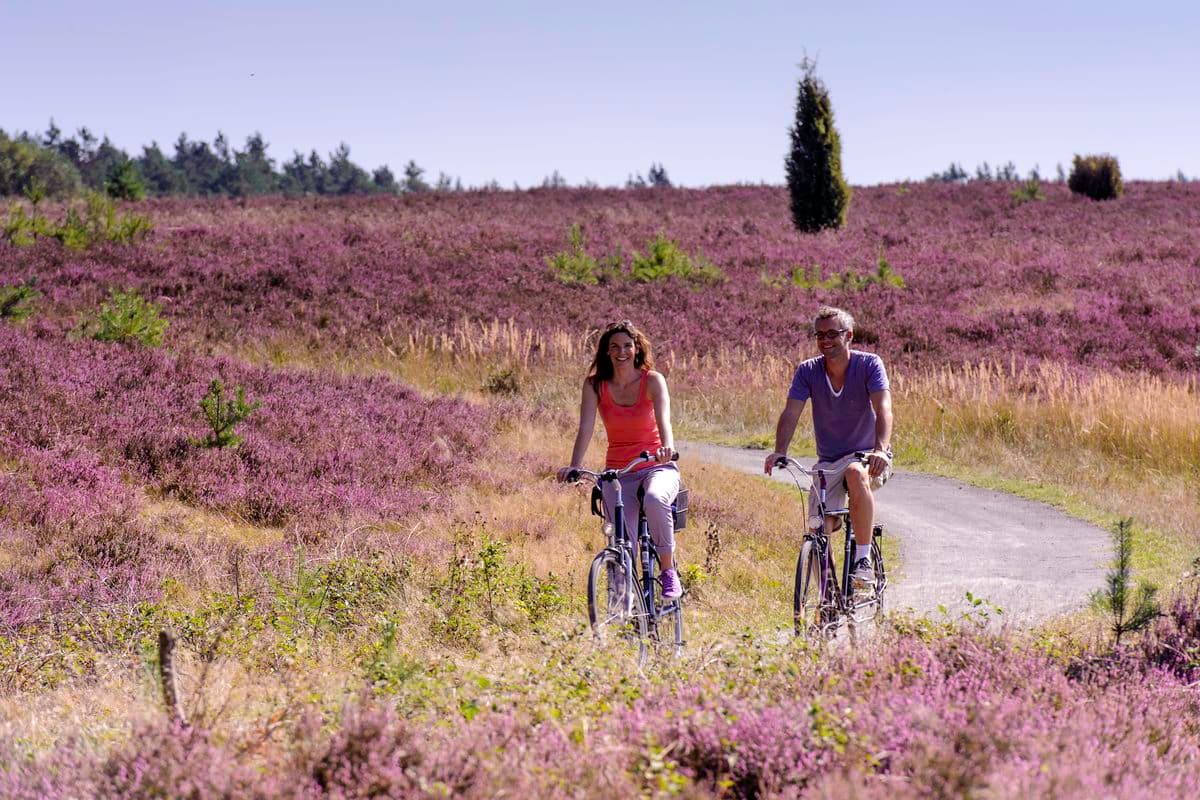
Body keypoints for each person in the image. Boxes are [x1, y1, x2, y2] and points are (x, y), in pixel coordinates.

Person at [764, 306, 894, 592]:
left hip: (867, 457)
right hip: (828, 462)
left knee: (854, 472)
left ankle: (862, 561)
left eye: (832, 334)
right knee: (818, 530)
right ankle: (827, 597)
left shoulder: (870, 364)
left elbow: (883, 408)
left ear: (848, 336)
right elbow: (791, 413)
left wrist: (881, 449)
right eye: (820, 335)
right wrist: (779, 450)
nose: (825, 340)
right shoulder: (808, 371)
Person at [557, 320, 683, 598]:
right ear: (606, 352)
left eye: (627, 345)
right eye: (614, 346)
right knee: (622, 540)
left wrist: (667, 448)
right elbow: (585, 428)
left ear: (637, 348)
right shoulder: (595, 385)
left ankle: (667, 570)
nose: (621, 351)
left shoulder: (652, 380)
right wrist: (575, 466)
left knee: (654, 498)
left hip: (656, 464)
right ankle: (624, 600)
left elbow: (665, 421)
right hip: (618, 471)